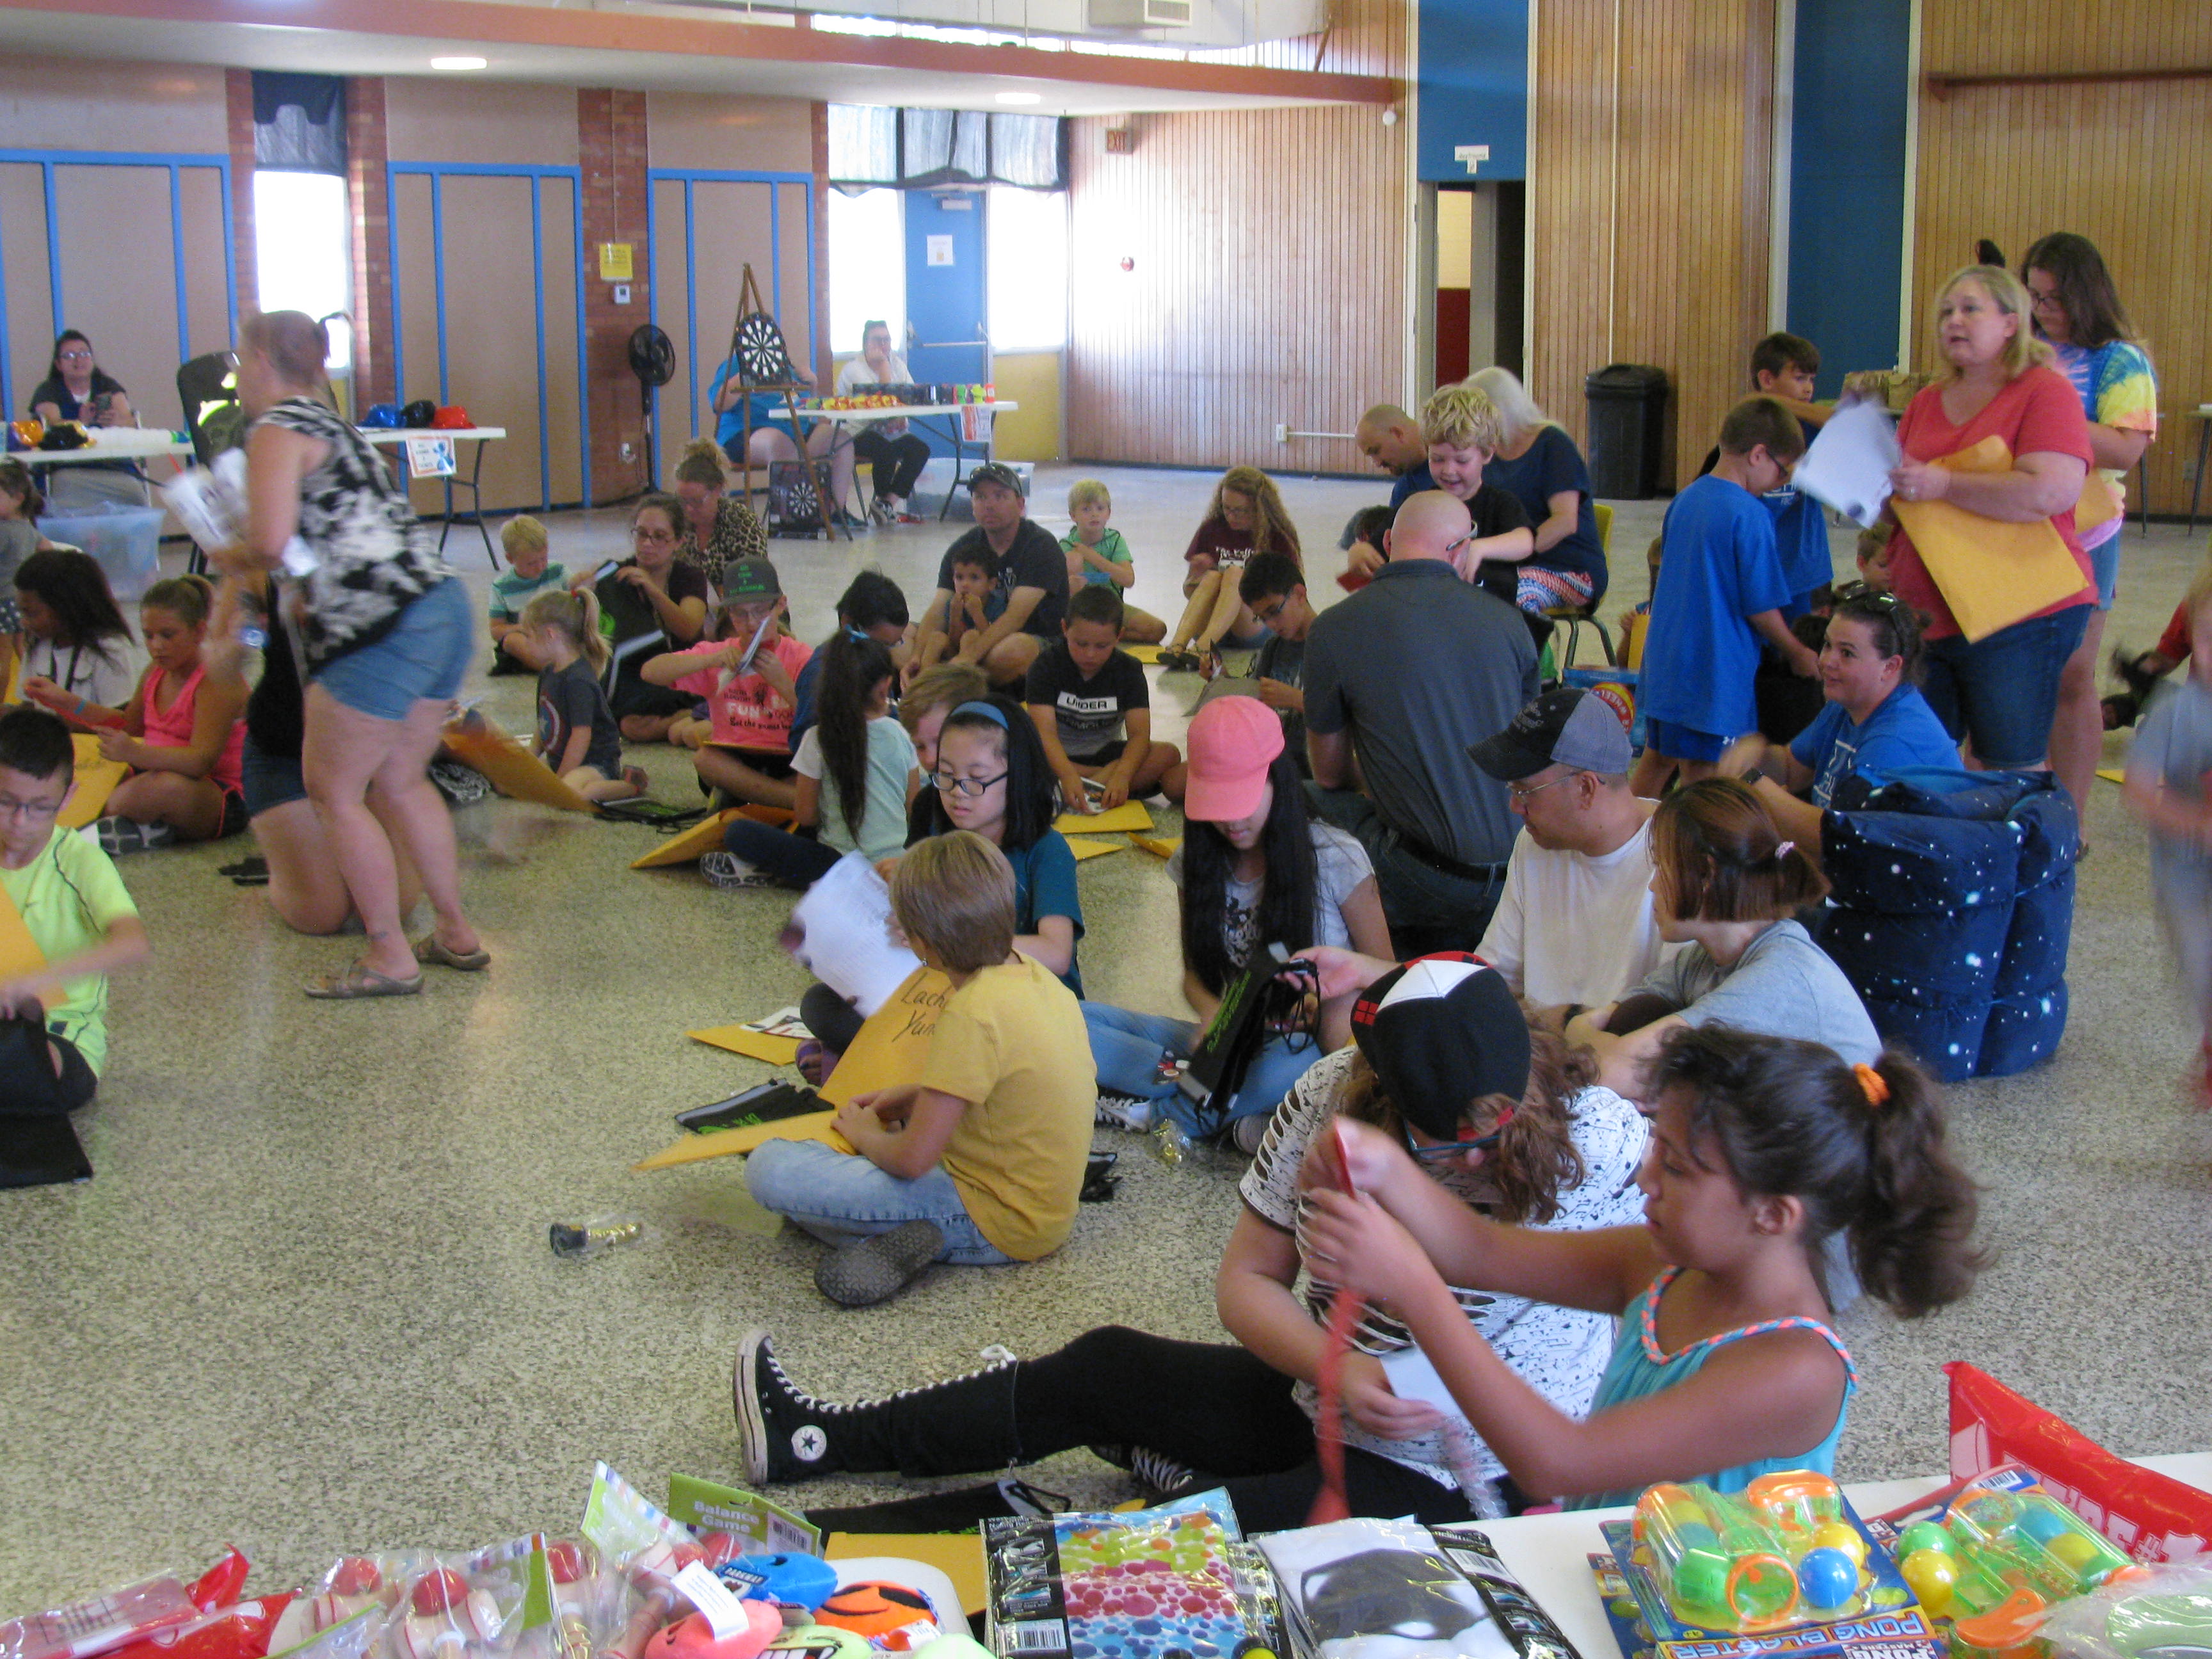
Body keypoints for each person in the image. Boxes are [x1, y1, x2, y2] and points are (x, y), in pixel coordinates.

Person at [729, 957, 1648, 1531]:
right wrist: (1342, 1372)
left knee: (1163, 1548)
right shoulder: (1330, 1094)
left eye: (1479, 1142)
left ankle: (834, 1555)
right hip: (1328, 1409)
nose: (1461, 1163)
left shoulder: (1605, 1142)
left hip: (1467, 1485)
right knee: (1105, 1367)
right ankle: (815, 1441)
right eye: (1428, 1146)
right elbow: (1248, 1281)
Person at [1299, 1022, 1982, 1509]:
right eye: (1658, 1148)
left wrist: (1414, 1285)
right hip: (1615, 1572)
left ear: (1774, 1214)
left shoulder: (1796, 1369)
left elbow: (1558, 1464)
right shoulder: (1663, 1264)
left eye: (1677, 1168)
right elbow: (1483, 1252)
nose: (1646, 1179)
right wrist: (1385, 1165)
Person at [219, 309, 483, 999]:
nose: (238, 377)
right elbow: (332, 540)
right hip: (441, 607)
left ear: (262, 361)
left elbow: (270, 541)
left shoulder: (276, 428)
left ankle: (389, 954)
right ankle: (455, 931)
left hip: (381, 626)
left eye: (241, 361)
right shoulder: (339, 427)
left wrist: (231, 552)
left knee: (334, 791)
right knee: (401, 782)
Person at [742, 831, 1094, 1306]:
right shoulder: (1036, 977)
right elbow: (1004, 1086)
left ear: (921, 942)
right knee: (828, 1171)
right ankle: (890, 1234)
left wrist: (866, 1134)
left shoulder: (971, 1012)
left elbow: (912, 1160)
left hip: (993, 1220)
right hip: (1047, 1213)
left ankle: (907, 1235)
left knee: (770, 1167)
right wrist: (917, 1095)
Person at [1087, 695, 1391, 1144]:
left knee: (1290, 1069)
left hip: (1301, 1045)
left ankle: (1167, 1111)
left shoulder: (1335, 857)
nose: (1230, 821)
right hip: (1229, 1040)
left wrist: (1327, 999)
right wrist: (1214, 1016)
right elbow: (1195, 975)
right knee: (1072, 1018)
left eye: (1243, 801)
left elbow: (1388, 974)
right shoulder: (1195, 860)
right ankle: (1213, 1108)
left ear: (1277, 781)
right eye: (1216, 804)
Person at [798, 693, 1086, 1076]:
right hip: (948, 991)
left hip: (1027, 1001)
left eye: (977, 780)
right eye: (946, 775)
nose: (957, 792)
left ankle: (874, 1061)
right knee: (822, 1003)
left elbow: (1056, 953)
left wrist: (949, 942)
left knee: (977, 1032)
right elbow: (916, 933)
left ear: (1017, 776)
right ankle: (902, 1061)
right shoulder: (936, 828)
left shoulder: (1046, 850)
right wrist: (893, 894)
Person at [1880, 264, 2094, 774]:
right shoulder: (1926, 401)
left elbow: (2048, 492)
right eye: (1946, 312)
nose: (1954, 320)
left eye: (1970, 309)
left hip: (2018, 612)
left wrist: (1944, 485)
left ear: (2010, 323)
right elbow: (1901, 504)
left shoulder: (2045, 391)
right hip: (1927, 613)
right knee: (1921, 763)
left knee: (2007, 766)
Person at [1304, 490, 1537, 955]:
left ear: (1389, 542)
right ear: (1461, 549)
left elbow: (1329, 774)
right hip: (1519, 873)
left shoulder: (1334, 626)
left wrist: (1385, 778)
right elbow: (1529, 753)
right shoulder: (1513, 623)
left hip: (1423, 876)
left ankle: (1353, 959)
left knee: (1299, 798)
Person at [1566, 778, 1880, 1098]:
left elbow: (1608, 1071)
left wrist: (1579, 1030)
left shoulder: (1778, 978)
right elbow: (1615, 1020)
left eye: (1660, 866)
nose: (1652, 886)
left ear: (1706, 874)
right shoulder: (1702, 960)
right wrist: (1584, 1031)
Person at [2023, 234, 2158, 828]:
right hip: (2019, 527)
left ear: (2084, 295)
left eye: (2053, 298)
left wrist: (2045, 419)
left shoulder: (2120, 360)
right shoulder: (2025, 350)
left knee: (2073, 675)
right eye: (2034, 297)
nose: (2042, 309)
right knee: (2010, 673)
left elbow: (2126, 448)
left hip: (2087, 532)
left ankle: (2070, 823)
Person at [1631, 397, 1821, 796]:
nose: (1782, 482)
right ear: (1758, 455)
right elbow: (1761, 608)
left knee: (1657, 761)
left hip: (1667, 665)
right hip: (1713, 673)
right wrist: (1797, 652)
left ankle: (1628, 834)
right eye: (1783, 470)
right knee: (1707, 780)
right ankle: (1694, 840)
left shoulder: (1686, 499)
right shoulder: (1750, 514)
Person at [234, 584, 424, 938]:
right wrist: (248, 628)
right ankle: (283, 864)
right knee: (320, 914)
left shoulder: (388, 574)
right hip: (283, 753)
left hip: (364, 756)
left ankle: (310, 851)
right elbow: (226, 660)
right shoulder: (269, 573)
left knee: (397, 905)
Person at [1468, 686, 1675, 1009]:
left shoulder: (1679, 855)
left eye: (1525, 791)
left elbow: (1670, 1018)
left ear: (1586, 788)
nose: (1514, 806)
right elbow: (1497, 978)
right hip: (1540, 1038)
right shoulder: (1535, 842)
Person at [1723, 589, 1959, 854]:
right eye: (1827, 645)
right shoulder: (1846, 706)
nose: (1826, 661)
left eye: (1847, 653)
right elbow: (1792, 767)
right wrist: (1756, 755)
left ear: (1890, 667)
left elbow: (1841, 843)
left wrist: (1754, 782)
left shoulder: (1897, 740)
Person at [0, 706, 150, 1115]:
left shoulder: (79, 861)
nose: (20, 822)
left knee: (17, 1063)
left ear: (68, 798)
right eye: (5, 802)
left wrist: (33, 981)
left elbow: (133, 944)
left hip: (60, 1036)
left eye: (40, 807)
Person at [710, 633, 918, 890]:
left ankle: (767, 870)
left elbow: (806, 816)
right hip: (894, 866)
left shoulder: (818, 738)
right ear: (886, 686)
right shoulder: (902, 734)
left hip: (837, 866)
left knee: (739, 832)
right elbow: (913, 808)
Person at [2120, 562, 2212, 1106]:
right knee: (2202, 965)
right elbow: (2137, 790)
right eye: (2210, 638)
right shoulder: (2175, 712)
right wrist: (2196, 823)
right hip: (2186, 876)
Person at [90, 574, 247, 853]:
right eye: (149, 636)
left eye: (167, 635)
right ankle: (150, 828)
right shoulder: (155, 671)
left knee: (160, 788)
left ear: (199, 631)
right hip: (156, 773)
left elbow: (201, 762)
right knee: (87, 773)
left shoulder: (216, 679)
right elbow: (128, 726)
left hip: (219, 794)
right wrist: (68, 704)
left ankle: (116, 827)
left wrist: (136, 754)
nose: (156, 646)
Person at [641, 558, 812, 812]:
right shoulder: (720, 654)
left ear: (780, 605)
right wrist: (711, 660)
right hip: (735, 759)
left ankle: (755, 800)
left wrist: (783, 684)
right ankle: (792, 802)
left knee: (820, 769)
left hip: (786, 757)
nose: (751, 623)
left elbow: (820, 723)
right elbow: (650, 672)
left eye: (760, 611)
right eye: (740, 614)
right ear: (729, 613)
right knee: (705, 759)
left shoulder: (802, 657)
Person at [908, 465, 1068, 689]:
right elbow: (938, 610)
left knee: (1012, 651)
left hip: (1030, 637)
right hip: (967, 640)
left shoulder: (1040, 546)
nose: (989, 505)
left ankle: (945, 684)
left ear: (1020, 504)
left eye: (1000, 496)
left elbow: (1015, 618)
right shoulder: (962, 548)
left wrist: (967, 658)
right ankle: (940, 681)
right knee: (903, 634)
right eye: (980, 497)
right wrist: (916, 657)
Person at [1024, 585, 1178, 814]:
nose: (1090, 654)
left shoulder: (1129, 669)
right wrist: (1067, 774)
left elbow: (1139, 735)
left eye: (1102, 646)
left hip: (1105, 753)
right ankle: (1096, 784)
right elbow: (1045, 734)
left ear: (1119, 637)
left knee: (1167, 754)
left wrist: (1123, 774)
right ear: (1065, 629)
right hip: (1055, 756)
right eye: (1081, 644)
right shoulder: (1045, 666)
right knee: (1012, 755)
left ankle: (1083, 787)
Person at [1467, 366, 1610, 609]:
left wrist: (1511, 553)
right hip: (1512, 563)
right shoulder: (1489, 451)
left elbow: (1565, 522)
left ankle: (1525, 636)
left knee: (1510, 594)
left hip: (1571, 569)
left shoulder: (1553, 444)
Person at [589, 493, 713, 744]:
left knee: (633, 726)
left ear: (678, 541)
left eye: (659, 536)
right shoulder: (616, 576)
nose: (647, 544)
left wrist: (653, 590)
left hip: (680, 673)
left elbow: (689, 629)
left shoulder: (689, 577)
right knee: (627, 724)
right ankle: (694, 716)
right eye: (641, 534)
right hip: (635, 679)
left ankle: (699, 711)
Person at [1158, 467, 1302, 672]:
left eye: (1241, 510)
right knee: (1212, 577)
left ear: (1259, 508)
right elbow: (1189, 592)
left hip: (1254, 622)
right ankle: (1178, 645)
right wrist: (1196, 577)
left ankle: (1203, 647)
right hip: (1212, 625)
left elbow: (1291, 595)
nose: (1232, 516)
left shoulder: (1277, 536)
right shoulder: (1211, 528)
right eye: (1226, 508)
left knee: (1235, 573)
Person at [709, 343, 858, 529]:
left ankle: (835, 512)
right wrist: (742, 377)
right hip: (745, 432)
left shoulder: (785, 367)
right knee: (778, 443)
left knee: (841, 439)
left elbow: (804, 405)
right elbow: (719, 404)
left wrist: (812, 385)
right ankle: (791, 517)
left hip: (794, 429)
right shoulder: (734, 365)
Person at [518, 588, 646, 805]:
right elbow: (544, 724)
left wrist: (559, 781)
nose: (525, 643)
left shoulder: (578, 680)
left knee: (569, 795)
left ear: (550, 634)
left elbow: (581, 737)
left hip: (594, 764)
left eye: (528, 636)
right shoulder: (548, 673)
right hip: (562, 761)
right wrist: (528, 761)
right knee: (512, 783)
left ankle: (630, 785)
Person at [13, 545, 141, 726]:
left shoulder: (111, 648)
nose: (24, 622)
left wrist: (54, 723)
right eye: (22, 613)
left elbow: (124, 724)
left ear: (65, 607)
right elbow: (29, 707)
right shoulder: (38, 645)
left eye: (32, 613)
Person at [790, 569, 911, 755]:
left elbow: (891, 717)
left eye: (892, 645)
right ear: (848, 623)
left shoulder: (877, 662)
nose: (885, 654)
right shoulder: (819, 674)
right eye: (881, 645)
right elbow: (801, 743)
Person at [28, 330, 143, 510]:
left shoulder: (107, 386)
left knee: (134, 490)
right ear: (58, 364)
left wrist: (116, 421)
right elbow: (51, 426)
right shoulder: (49, 390)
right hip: (68, 467)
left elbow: (131, 422)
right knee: (64, 483)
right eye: (69, 356)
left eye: (84, 354)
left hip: (113, 465)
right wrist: (80, 423)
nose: (78, 360)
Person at [836, 320, 931, 524]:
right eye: (877, 340)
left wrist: (901, 414)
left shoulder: (898, 364)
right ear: (865, 344)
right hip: (858, 432)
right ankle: (882, 499)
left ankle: (886, 503)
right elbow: (883, 402)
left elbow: (912, 395)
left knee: (920, 450)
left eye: (887, 340)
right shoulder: (854, 369)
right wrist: (883, 367)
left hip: (892, 430)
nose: (883, 345)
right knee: (886, 450)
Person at [1061, 478, 1164, 644]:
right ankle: (1089, 633)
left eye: (1100, 508)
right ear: (1073, 515)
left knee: (1157, 629)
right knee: (1074, 559)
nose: (1094, 514)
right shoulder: (1067, 545)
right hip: (1080, 610)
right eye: (1086, 509)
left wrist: (1091, 556)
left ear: (1108, 513)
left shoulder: (1115, 541)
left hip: (1110, 606)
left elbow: (1128, 580)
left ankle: (1103, 635)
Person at [669, 437, 768, 589]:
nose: (688, 509)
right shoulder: (672, 520)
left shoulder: (742, 522)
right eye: (682, 500)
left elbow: (753, 582)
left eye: (697, 501)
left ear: (717, 489)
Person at [486, 515, 567, 676]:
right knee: (511, 641)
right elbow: (496, 630)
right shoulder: (501, 587)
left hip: (560, 635)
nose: (540, 567)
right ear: (510, 558)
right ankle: (557, 669)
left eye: (543, 559)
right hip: (530, 640)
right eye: (531, 563)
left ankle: (563, 663)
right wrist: (522, 628)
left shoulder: (558, 572)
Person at [1354, 403, 1434, 506]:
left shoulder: (1449, 472)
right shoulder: (1403, 491)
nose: (1378, 463)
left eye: (1376, 451)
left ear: (1398, 433)